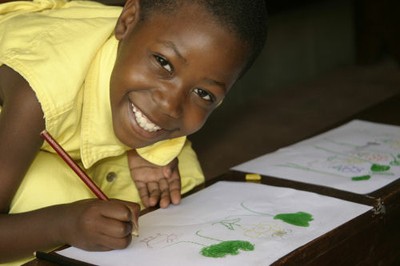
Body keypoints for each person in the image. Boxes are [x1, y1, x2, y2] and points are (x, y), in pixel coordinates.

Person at [0, 0, 268, 264]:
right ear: (127, 22)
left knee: (177, 181)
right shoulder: (38, 93)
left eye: (203, 94)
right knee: (49, 194)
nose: (170, 107)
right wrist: (62, 225)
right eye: (163, 62)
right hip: (13, 129)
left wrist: (143, 146)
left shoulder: (160, 42)